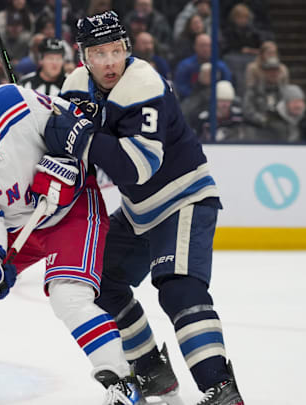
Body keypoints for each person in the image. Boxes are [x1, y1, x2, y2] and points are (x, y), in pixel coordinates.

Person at [0, 56, 145, 405]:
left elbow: (75, 131)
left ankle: (123, 384)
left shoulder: (15, 100)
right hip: (17, 226)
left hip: (71, 209)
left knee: (69, 296)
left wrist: (70, 168)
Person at [60, 11, 244, 404]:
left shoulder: (143, 83)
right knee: (100, 279)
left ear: (127, 48)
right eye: (98, 53)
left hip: (184, 197)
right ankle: (151, 370)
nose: (110, 61)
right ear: (83, 57)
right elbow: (67, 149)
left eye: (116, 50)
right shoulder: (75, 85)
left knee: (179, 288)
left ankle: (222, 390)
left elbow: (138, 166)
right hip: (139, 210)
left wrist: (82, 137)